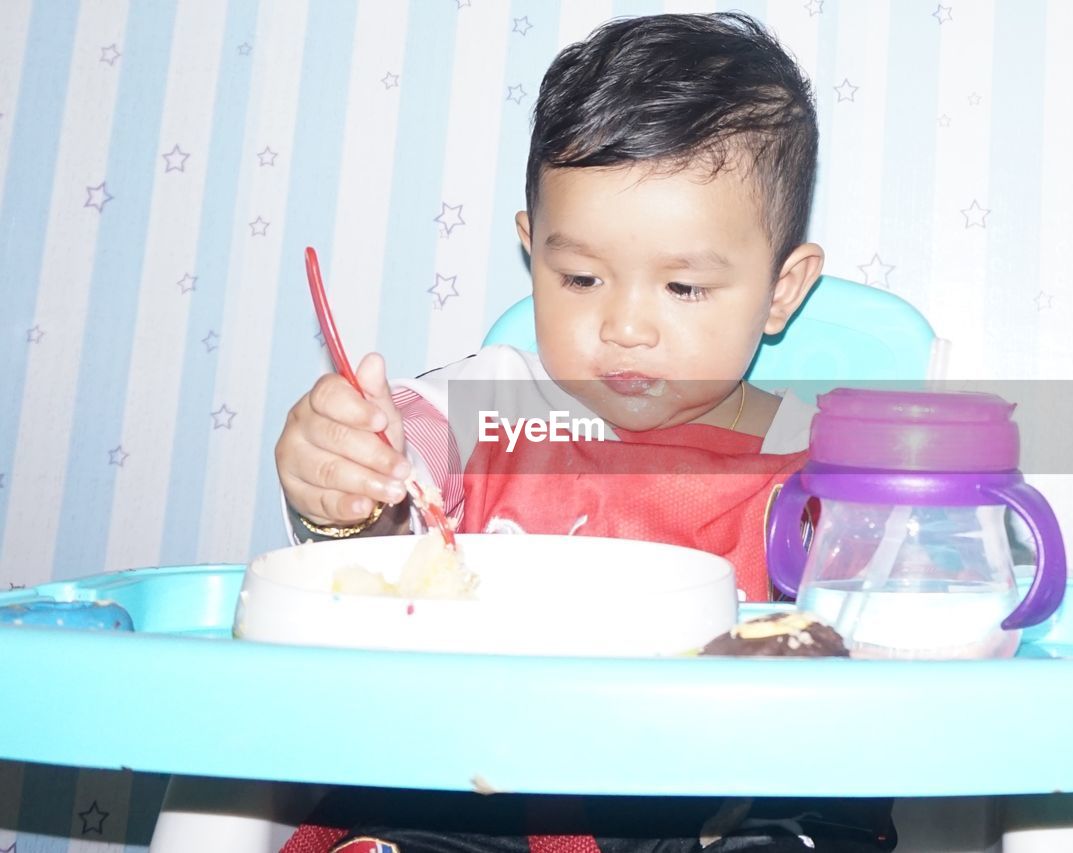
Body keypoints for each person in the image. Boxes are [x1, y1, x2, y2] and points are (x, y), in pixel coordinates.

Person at [275, 12, 895, 851]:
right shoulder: (490, 400)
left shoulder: (822, 466)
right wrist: (351, 471)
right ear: (532, 254)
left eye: (682, 287)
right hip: (477, 790)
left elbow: (889, 641)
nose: (625, 326)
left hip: (712, 800)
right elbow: (406, 454)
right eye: (580, 276)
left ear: (781, 289)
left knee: (823, 811)